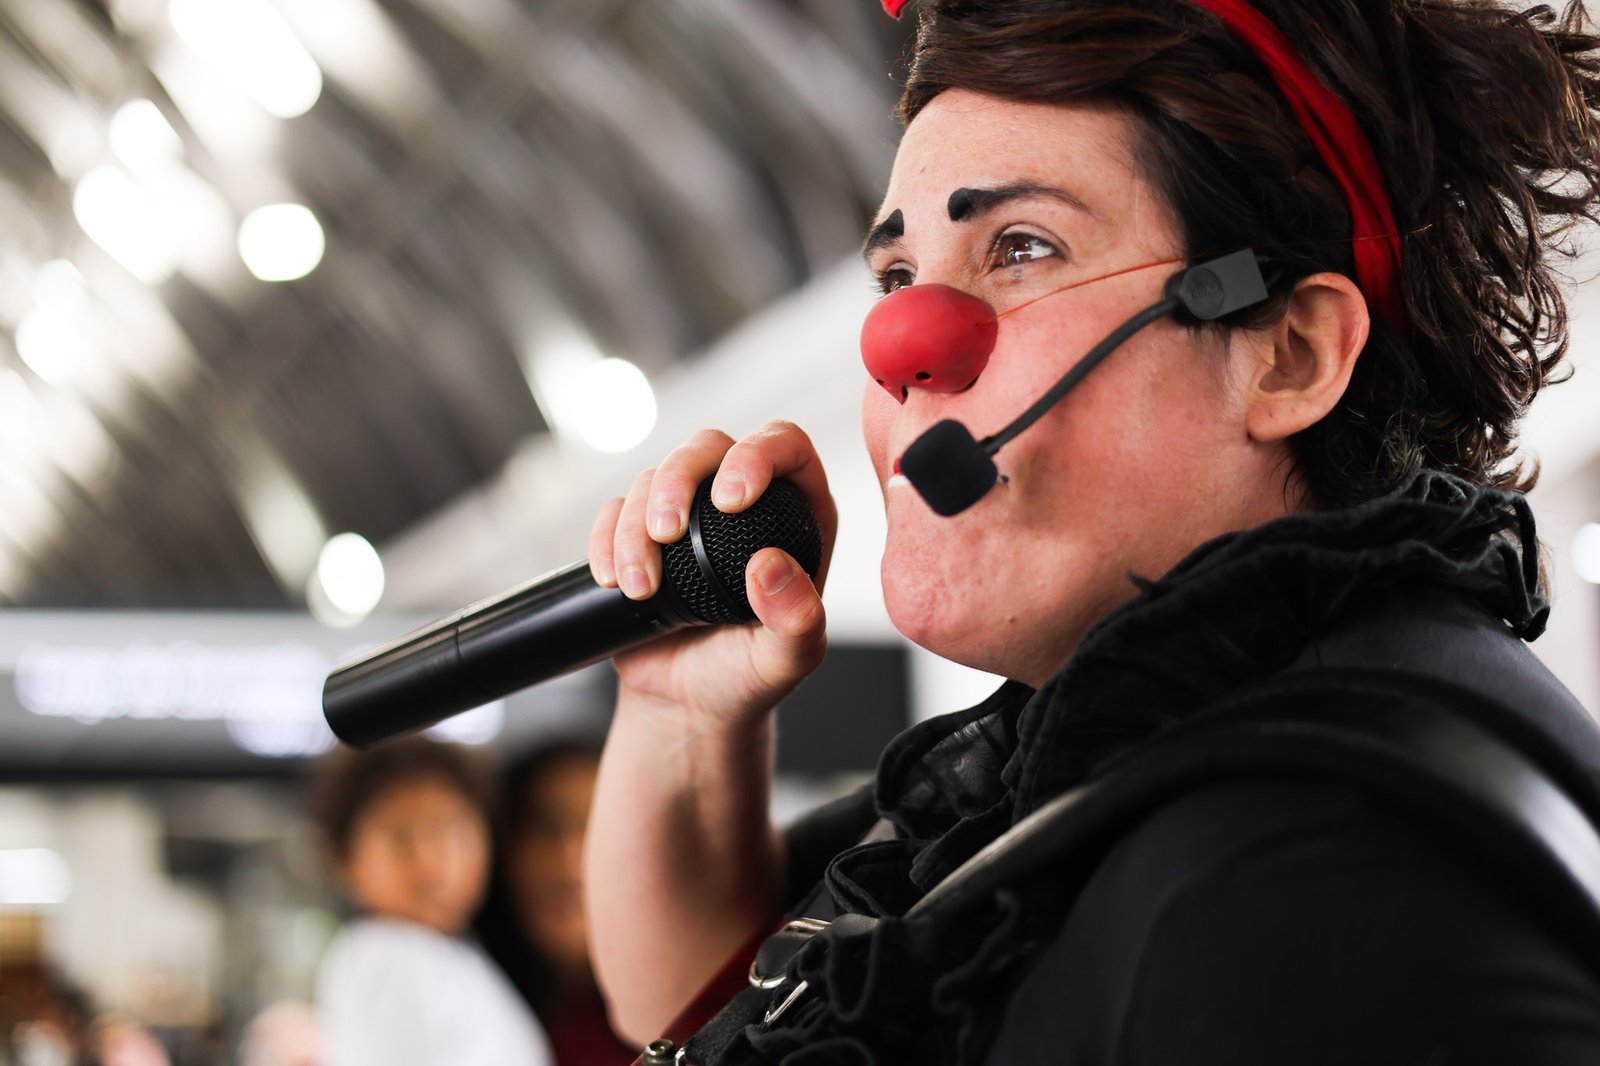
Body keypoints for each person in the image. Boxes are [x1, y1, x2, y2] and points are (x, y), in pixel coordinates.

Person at [580, 0, 1600, 1062]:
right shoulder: (1115, 734)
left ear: (1289, 353)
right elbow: (699, 994)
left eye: (1021, 247)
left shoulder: (1322, 871)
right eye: (897, 276)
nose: (902, 346)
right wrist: (684, 722)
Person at [311, 737, 552, 1066]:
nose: (430, 862)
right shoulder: (388, 956)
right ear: (345, 860)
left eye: (448, 831)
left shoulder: (449, 953)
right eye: (400, 838)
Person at [475, 740, 636, 1065]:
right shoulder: (465, 1001)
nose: (571, 859)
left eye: (597, 825)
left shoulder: (698, 1010)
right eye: (548, 827)